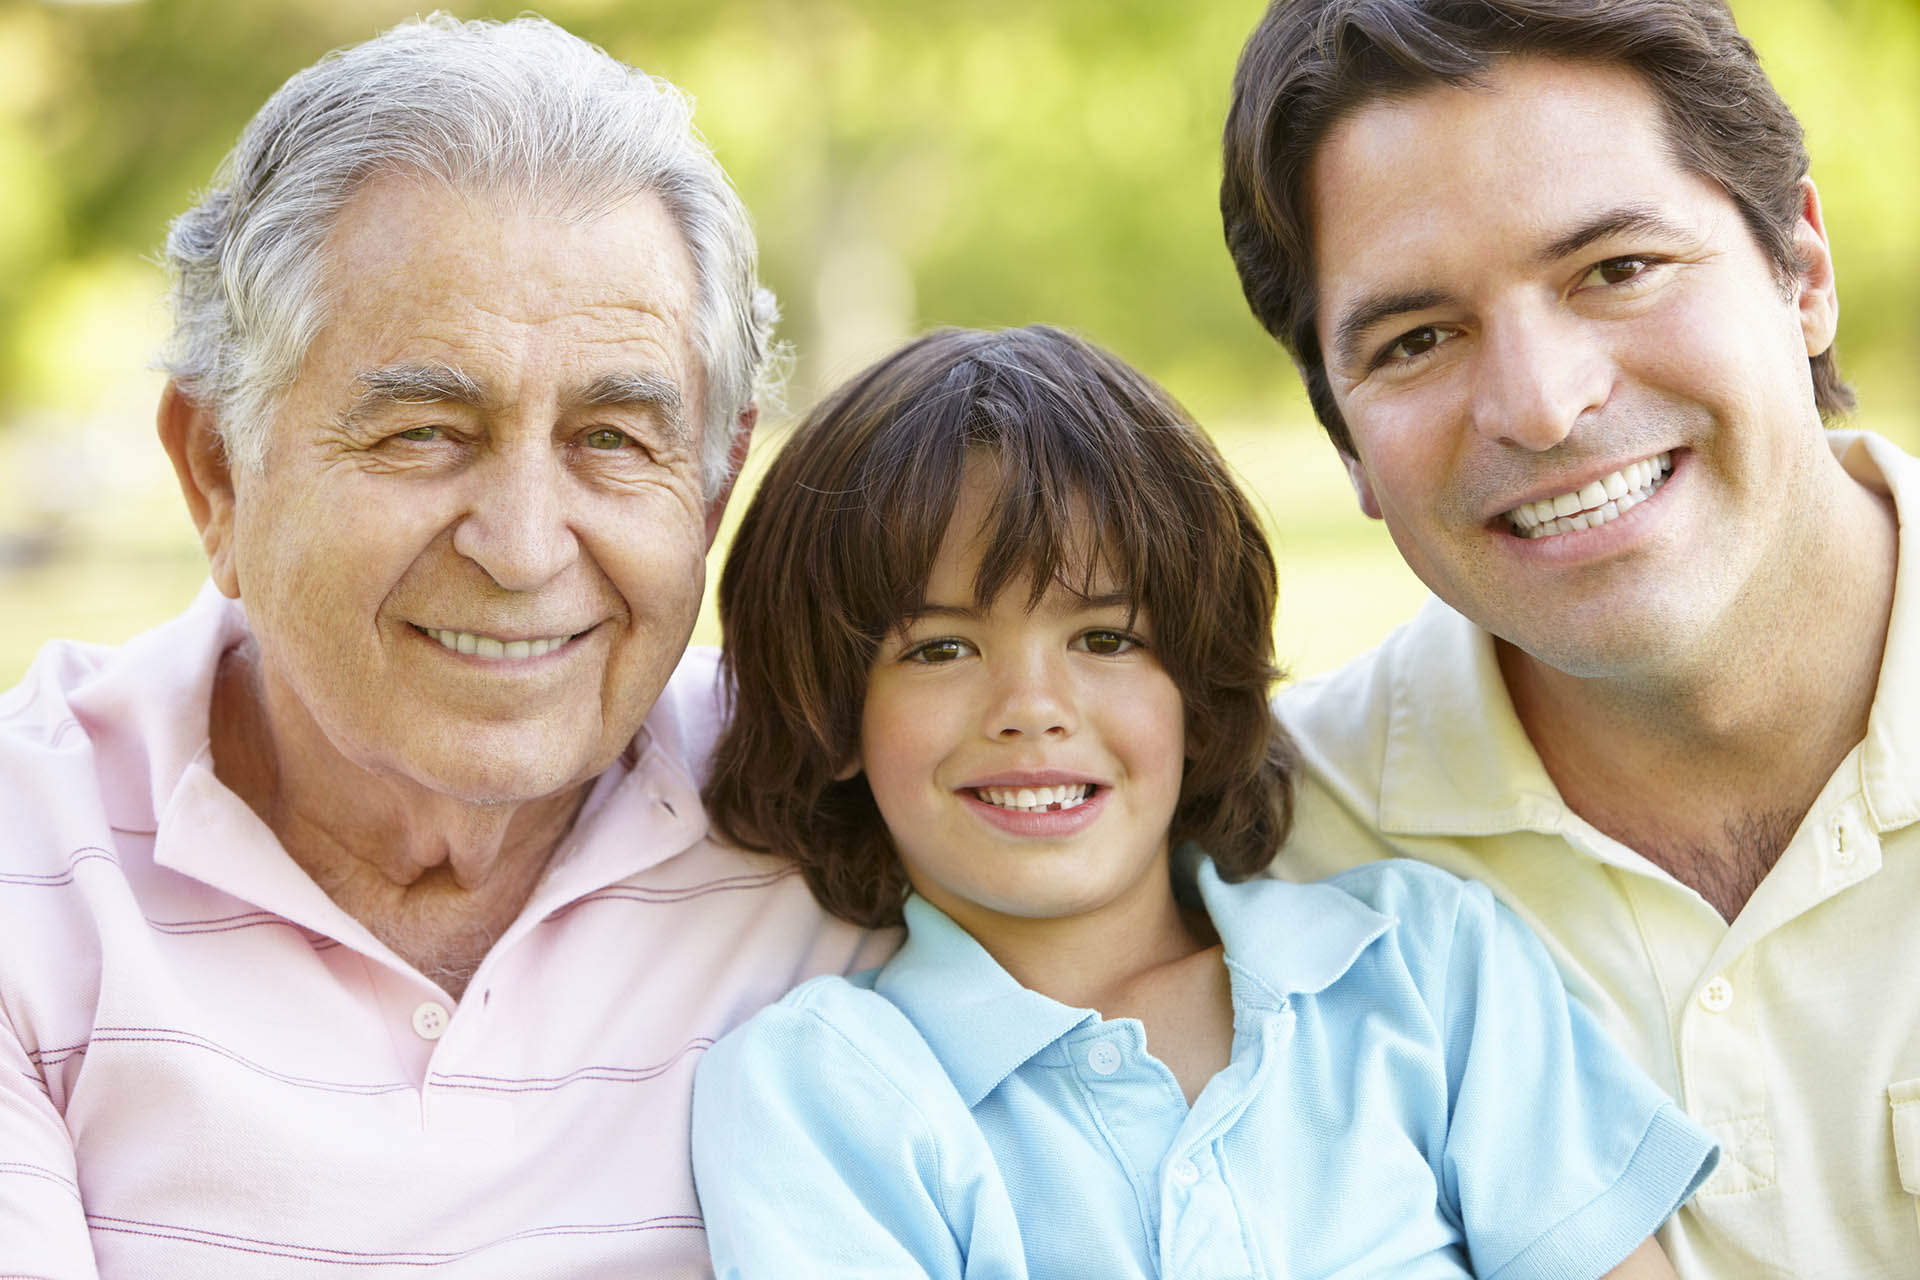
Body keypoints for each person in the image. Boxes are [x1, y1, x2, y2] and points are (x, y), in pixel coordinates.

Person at [0, 16, 887, 1277]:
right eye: (424, 430)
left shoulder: (858, 818)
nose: (524, 546)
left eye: (614, 439)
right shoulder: (26, 860)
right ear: (217, 473)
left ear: (715, 485)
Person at [688, 323, 1716, 1278]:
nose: (1032, 708)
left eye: (1105, 637)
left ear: (1197, 687)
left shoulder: (1425, 969)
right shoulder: (822, 1088)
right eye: (941, 647)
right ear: (828, 712)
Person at [1219, 0, 1915, 1274]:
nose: (1542, 405)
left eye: (1617, 268)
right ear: (1346, 444)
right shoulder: (1262, 864)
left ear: (1802, 274)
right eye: (1417, 338)